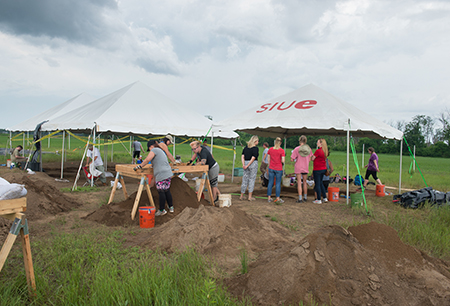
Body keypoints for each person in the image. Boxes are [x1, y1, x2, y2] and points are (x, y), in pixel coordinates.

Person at [134, 140, 174, 216]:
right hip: (167, 173)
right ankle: (171, 207)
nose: (149, 151)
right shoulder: (160, 151)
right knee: (166, 190)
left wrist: (140, 166)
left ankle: (162, 210)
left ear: (151, 146)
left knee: (161, 191)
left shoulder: (154, 150)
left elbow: (147, 159)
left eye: (149, 149)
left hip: (161, 174)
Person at [290, 135, 313, 203]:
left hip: (298, 167)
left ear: (300, 141)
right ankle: (305, 197)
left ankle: (300, 198)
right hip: (305, 166)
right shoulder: (309, 149)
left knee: (299, 182)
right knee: (305, 182)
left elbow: (292, 159)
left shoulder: (297, 149)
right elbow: (310, 159)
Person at [267, 137, 285, 204]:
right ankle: (277, 198)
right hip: (278, 168)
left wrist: (269, 165)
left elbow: (268, 159)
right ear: (280, 143)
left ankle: (269, 197)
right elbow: (283, 160)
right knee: (278, 183)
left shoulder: (270, 149)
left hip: (271, 167)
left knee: (270, 182)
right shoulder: (281, 150)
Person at [240, 135, 259, 201]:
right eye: (257, 141)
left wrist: (244, 164)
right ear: (255, 141)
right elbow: (253, 157)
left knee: (245, 179)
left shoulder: (246, 148)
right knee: (251, 179)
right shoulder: (255, 149)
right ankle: (250, 196)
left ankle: (242, 195)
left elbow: (242, 156)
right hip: (252, 164)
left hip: (245, 163)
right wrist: (248, 165)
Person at [311, 138, 328, 204]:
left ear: (321, 143)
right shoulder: (324, 151)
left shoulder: (318, 151)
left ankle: (318, 199)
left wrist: (311, 156)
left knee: (317, 184)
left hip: (317, 169)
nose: (316, 143)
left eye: (317, 142)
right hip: (323, 169)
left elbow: (313, 158)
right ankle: (324, 197)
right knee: (320, 183)